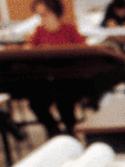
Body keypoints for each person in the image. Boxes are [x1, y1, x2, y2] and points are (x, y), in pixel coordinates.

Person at [26, 0, 86, 138]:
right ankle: (54, 132)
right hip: (47, 80)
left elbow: (84, 51)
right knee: (35, 102)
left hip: (70, 80)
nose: (43, 18)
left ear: (56, 13)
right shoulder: (39, 31)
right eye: (39, 15)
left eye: (45, 14)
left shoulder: (69, 29)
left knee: (64, 99)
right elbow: (29, 51)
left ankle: (71, 133)